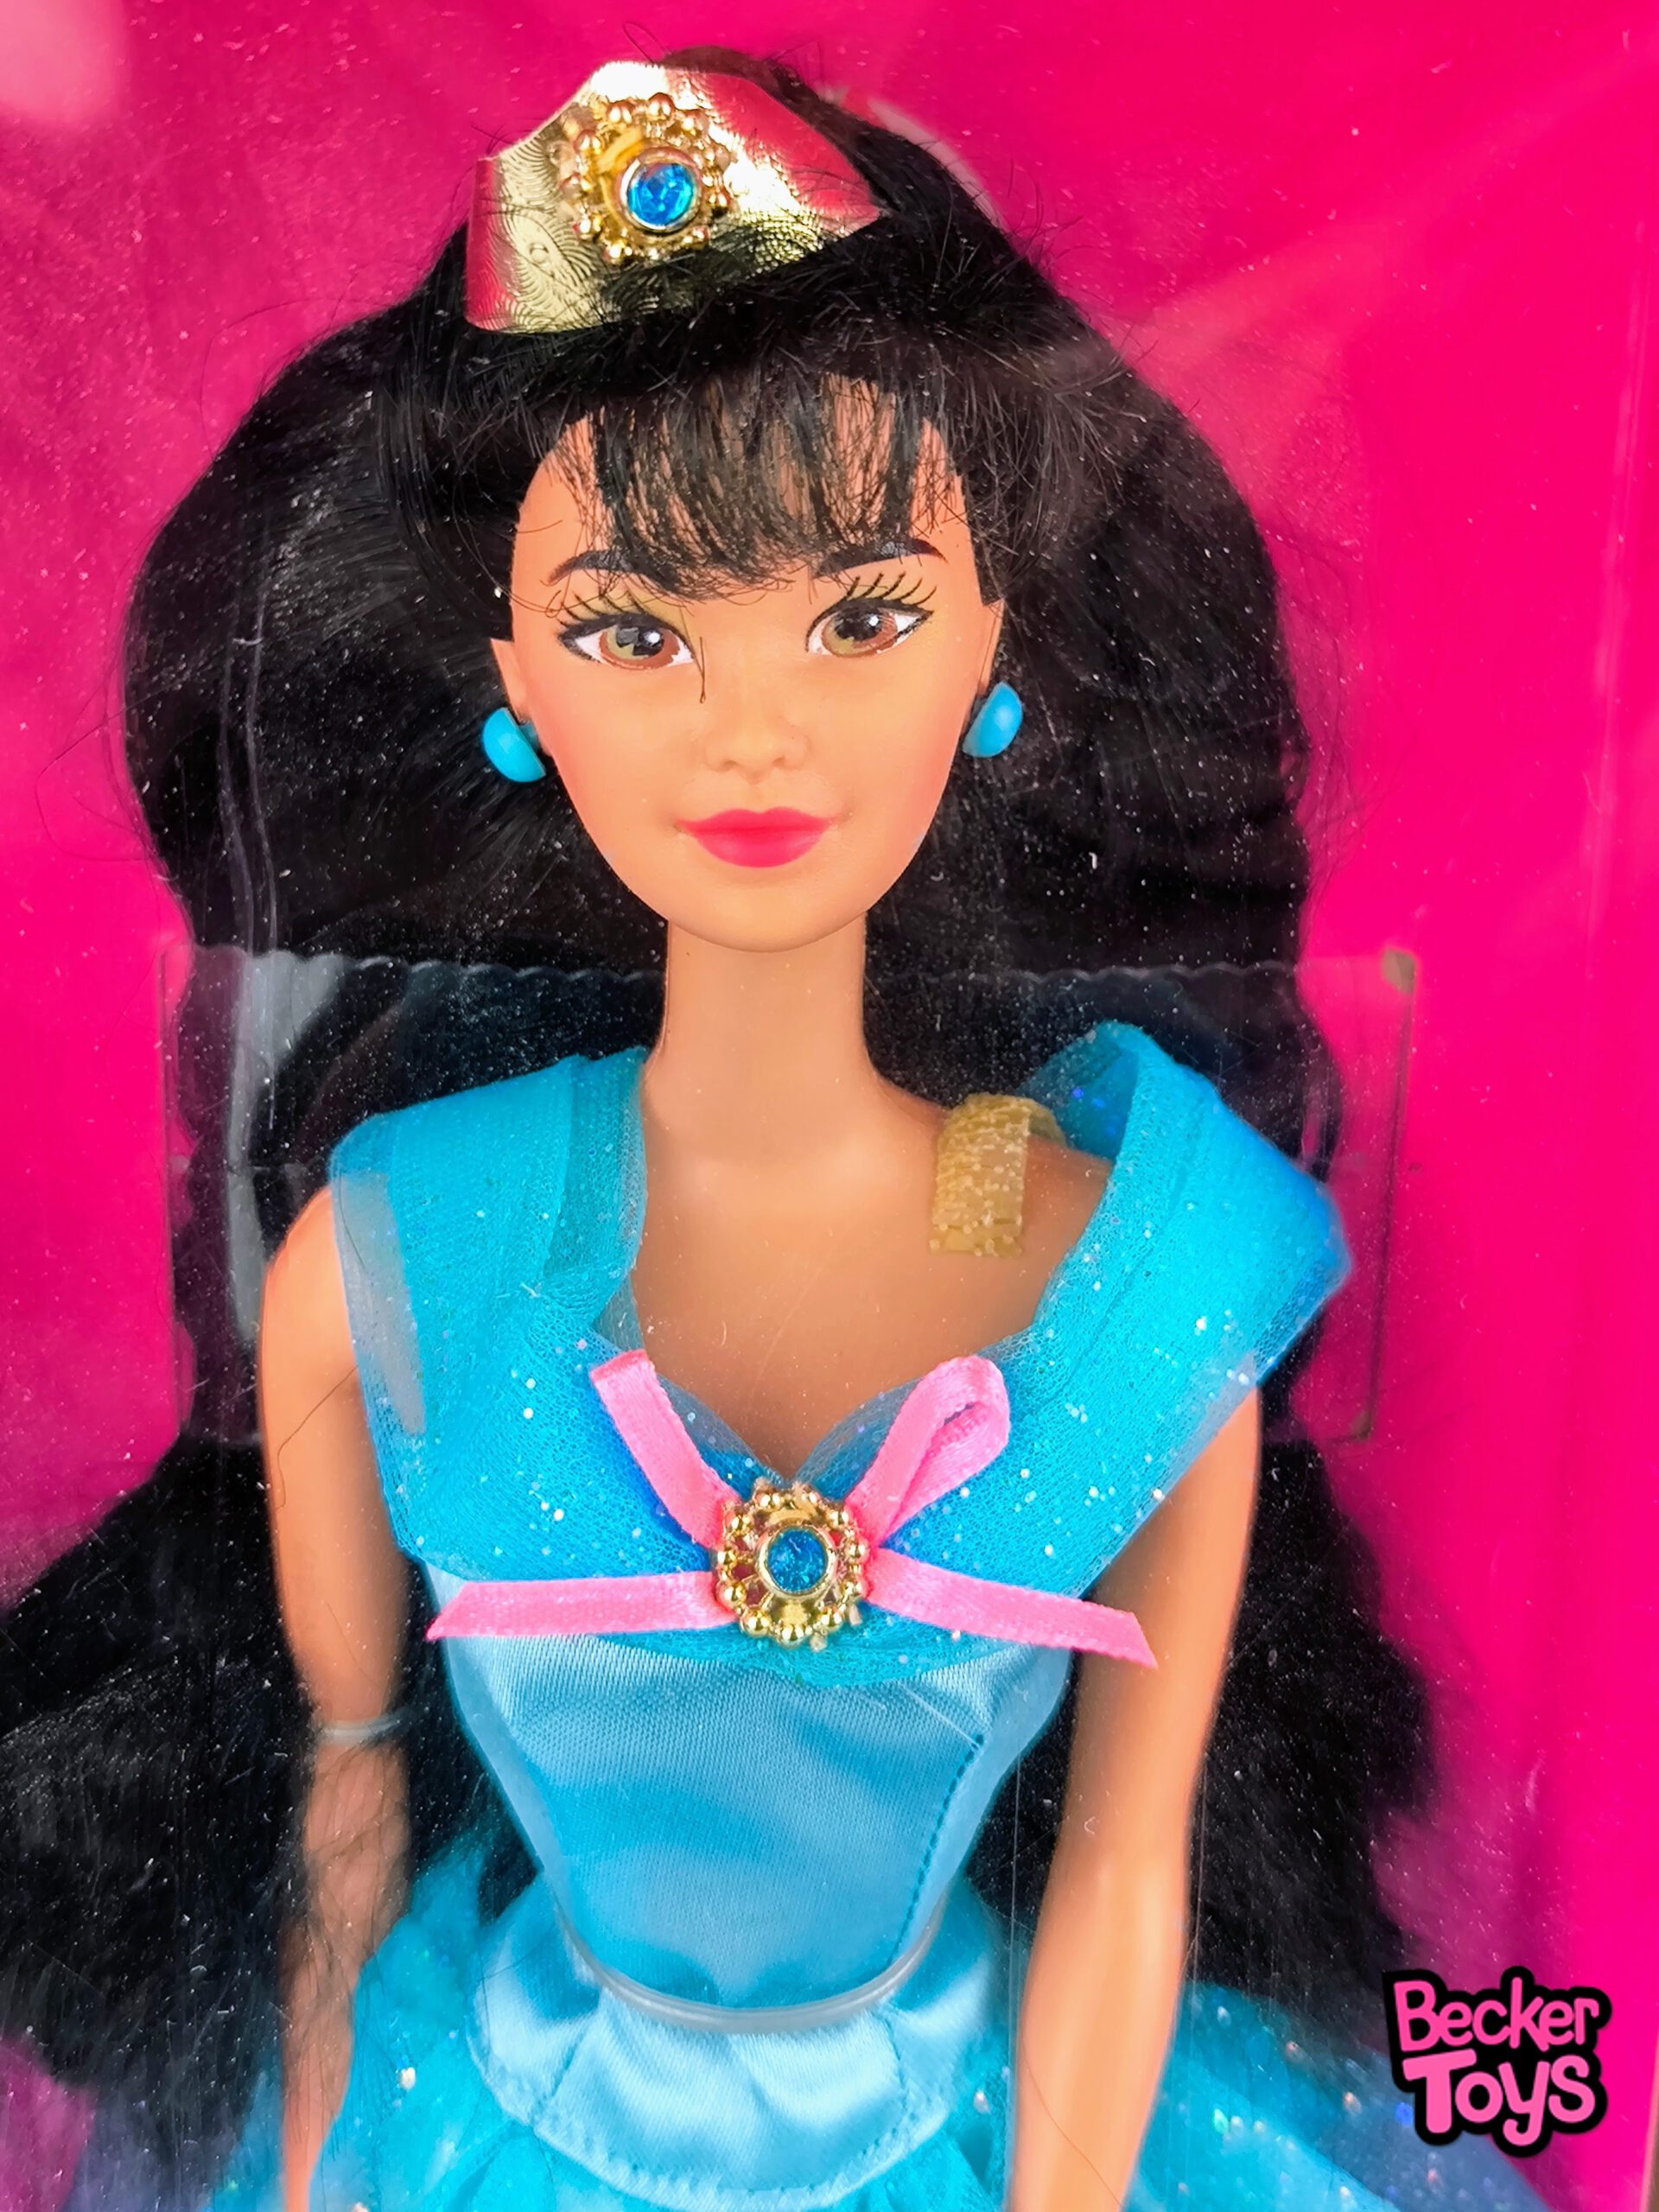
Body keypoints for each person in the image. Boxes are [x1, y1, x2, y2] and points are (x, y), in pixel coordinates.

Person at [1, 48, 1541, 2212]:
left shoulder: (1136, 1275)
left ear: (1002, 630)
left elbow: (1126, 1872)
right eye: (635, 629)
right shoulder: (401, 1248)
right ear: (510, 672)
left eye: (863, 614)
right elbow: (348, 1790)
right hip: (493, 2128)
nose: (754, 730)